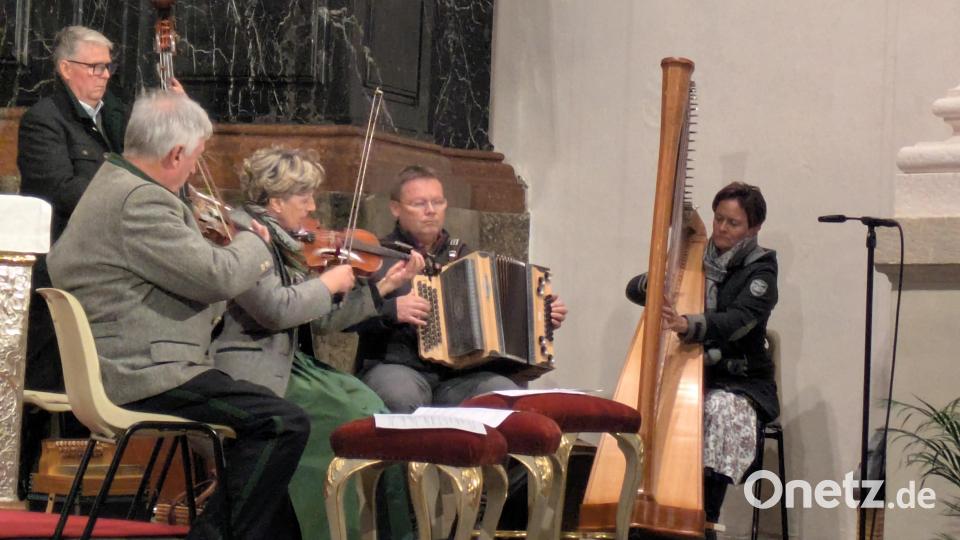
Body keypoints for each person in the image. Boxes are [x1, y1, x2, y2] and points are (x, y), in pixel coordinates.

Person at [46, 90, 309, 540]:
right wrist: (257, 241)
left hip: (139, 363)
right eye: (196, 158)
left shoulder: (114, 183)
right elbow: (217, 277)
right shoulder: (141, 202)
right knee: (282, 422)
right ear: (176, 153)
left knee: (261, 437)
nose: (193, 170)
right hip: (146, 373)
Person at [210, 147, 423, 540]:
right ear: (275, 200)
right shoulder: (243, 238)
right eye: (303, 196)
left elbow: (320, 320)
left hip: (293, 363)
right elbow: (274, 311)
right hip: (256, 368)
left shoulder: (286, 241)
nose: (312, 206)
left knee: (378, 413)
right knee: (352, 415)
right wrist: (325, 284)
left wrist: (383, 288)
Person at [625, 181, 778, 537]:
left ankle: (704, 517)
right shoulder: (694, 258)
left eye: (733, 223)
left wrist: (688, 324)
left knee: (718, 412)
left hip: (739, 382)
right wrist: (660, 281)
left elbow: (738, 323)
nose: (722, 229)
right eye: (719, 219)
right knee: (644, 401)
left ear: (754, 228)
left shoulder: (762, 271)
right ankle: (644, 512)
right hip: (693, 375)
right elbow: (634, 289)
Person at [353, 165, 568, 413]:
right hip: (396, 366)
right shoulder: (376, 255)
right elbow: (340, 317)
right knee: (401, 396)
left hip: (459, 376)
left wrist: (540, 316)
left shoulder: (468, 259)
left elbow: (500, 320)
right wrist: (391, 309)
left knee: (501, 393)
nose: (430, 211)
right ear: (395, 208)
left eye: (437, 202)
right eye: (419, 203)